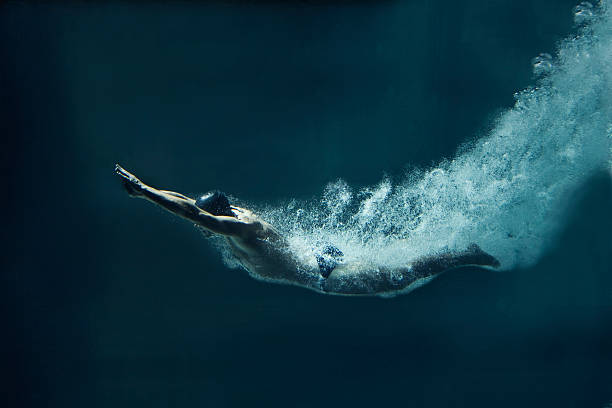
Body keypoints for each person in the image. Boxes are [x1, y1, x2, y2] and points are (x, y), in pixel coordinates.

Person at [115, 164, 500, 296]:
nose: (203, 228)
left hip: (324, 274)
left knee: (400, 278)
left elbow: (193, 215)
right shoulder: (231, 214)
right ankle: (454, 252)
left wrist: (146, 192)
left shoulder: (242, 228)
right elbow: (188, 203)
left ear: (220, 218)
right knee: (389, 267)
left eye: (208, 223)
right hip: (316, 257)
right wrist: (146, 189)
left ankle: (466, 254)